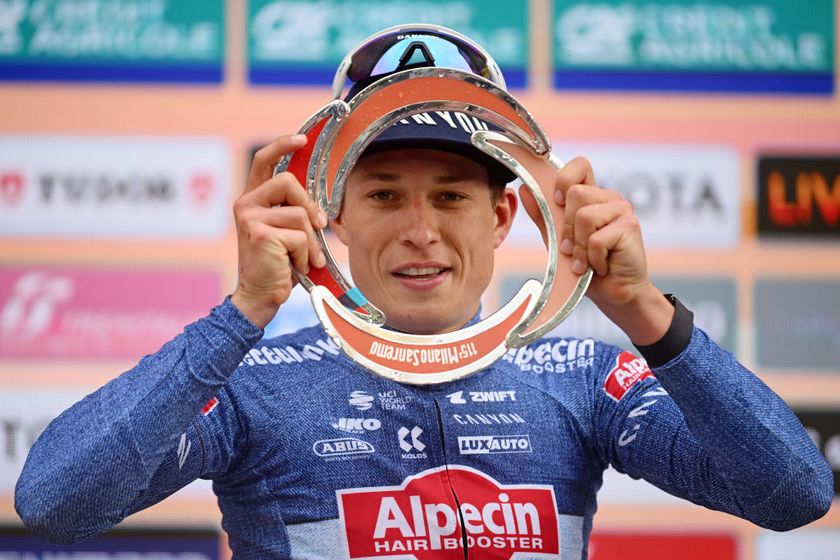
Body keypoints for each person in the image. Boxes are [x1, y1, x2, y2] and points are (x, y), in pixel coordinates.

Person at [15, 29, 832, 560]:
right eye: (382, 196)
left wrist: (647, 313)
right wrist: (242, 315)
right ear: (326, 210)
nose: (419, 230)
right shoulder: (255, 382)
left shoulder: (583, 377)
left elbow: (794, 496)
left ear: (508, 214)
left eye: (450, 196)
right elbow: (54, 501)